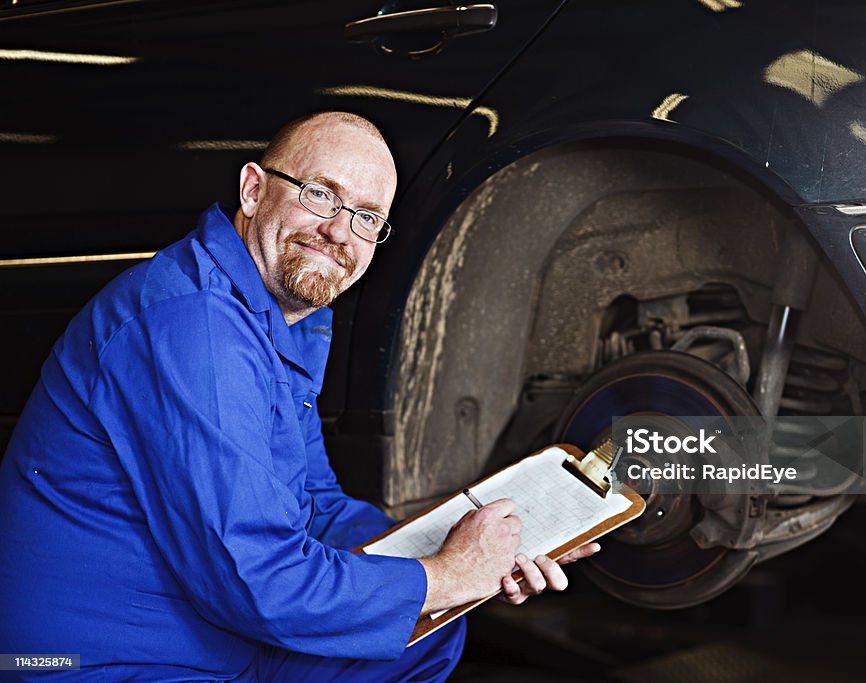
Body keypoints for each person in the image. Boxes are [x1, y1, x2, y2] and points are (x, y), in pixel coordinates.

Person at [0, 112, 598, 681]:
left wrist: (474, 547)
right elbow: (251, 579)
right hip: (107, 662)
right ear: (253, 190)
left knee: (427, 630)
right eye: (320, 194)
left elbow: (315, 505)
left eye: (367, 217)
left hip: (204, 634)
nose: (340, 230)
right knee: (423, 607)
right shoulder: (195, 325)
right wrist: (443, 578)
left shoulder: (285, 319)